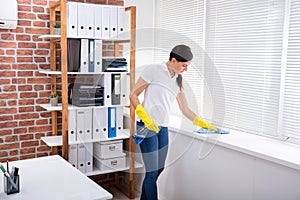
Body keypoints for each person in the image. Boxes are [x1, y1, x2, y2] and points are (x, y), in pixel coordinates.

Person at [130, 44, 219, 200]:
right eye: (184, 65)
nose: (186, 69)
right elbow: (133, 95)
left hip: (162, 127)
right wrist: (145, 117)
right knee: (151, 173)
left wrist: (204, 124)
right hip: (147, 126)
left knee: (159, 169)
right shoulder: (153, 70)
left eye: (188, 66)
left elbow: (185, 109)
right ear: (173, 60)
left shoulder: (177, 80)